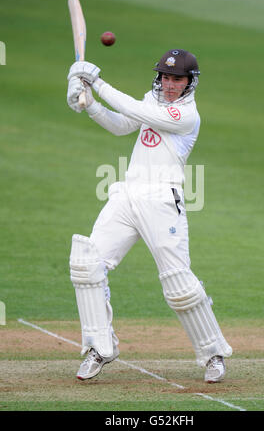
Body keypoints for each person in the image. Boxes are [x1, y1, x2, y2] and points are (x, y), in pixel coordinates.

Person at [67, 49, 232, 383]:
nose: (169, 84)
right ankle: (100, 347)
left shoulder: (186, 116)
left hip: (162, 199)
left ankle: (213, 354)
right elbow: (121, 125)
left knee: (178, 283)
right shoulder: (151, 101)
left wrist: (95, 81)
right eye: (166, 77)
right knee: (87, 264)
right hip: (128, 194)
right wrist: (90, 105)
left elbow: (133, 109)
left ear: (189, 83)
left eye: (177, 79)